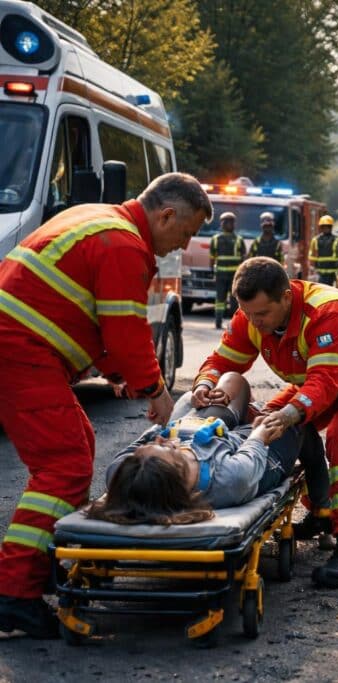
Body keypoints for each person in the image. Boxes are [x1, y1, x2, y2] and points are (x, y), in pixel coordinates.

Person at [0, 172, 212, 638]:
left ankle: (39, 564)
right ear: (166, 215)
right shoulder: (124, 246)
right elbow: (125, 331)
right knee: (64, 464)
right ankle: (14, 593)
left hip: (19, 347)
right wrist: (156, 391)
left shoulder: (98, 221)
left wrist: (119, 374)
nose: (183, 244)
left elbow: (94, 315)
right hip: (20, 351)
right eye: (187, 232)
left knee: (77, 444)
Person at [191, 257, 338, 589]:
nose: (255, 322)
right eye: (248, 314)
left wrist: (291, 414)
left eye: (262, 314)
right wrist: (205, 384)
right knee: (266, 425)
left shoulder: (328, 313)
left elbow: (325, 383)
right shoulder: (251, 315)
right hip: (319, 380)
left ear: (286, 297)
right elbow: (222, 360)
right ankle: (322, 511)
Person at [89, 372, 327, 522]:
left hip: (202, 434)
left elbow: (147, 441)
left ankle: (241, 408)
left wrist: (161, 429)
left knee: (231, 381)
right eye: (170, 449)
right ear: (179, 477)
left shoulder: (119, 472)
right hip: (257, 453)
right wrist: (269, 422)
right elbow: (258, 441)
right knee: (300, 426)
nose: (161, 440)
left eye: (150, 446)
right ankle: (322, 508)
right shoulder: (229, 480)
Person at [210, 211, 246, 329]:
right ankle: (218, 322)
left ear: (234, 224)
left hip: (235, 276)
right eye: (226, 222)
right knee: (220, 299)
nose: (229, 224)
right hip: (220, 275)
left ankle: (235, 324)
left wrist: (242, 275)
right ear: (222, 223)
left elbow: (244, 259)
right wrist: (212, 271)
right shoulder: (215, 239)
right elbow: (212, 258)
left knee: (235, 300)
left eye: (231, 222)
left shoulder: (239, 240)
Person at [308, 215, 338, 287]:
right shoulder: (315, 240)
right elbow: (312, 256)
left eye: (327, 227)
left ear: (331, 227)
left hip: (333, 273)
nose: (326, 229)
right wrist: (312, 270)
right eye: (324, 227)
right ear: (321, 228)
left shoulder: (336, 239)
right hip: (320, 273)